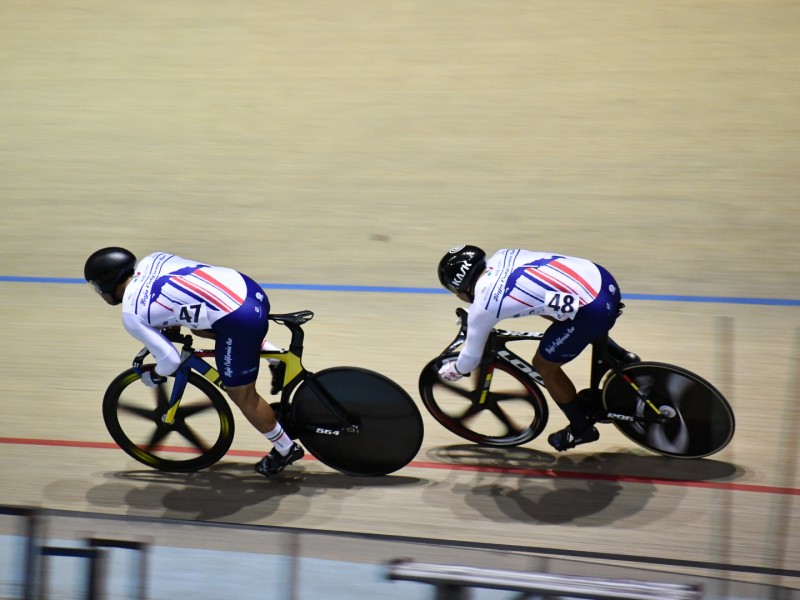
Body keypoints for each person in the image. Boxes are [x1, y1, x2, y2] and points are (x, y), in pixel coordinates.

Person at [84, 247, 304, 477]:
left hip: (240, 320)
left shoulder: (131, 314)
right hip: (248, 289)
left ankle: (285, 448)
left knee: (241, 394)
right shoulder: (152, 259)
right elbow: (187, 293)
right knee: (204, 328)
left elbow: (170, 361)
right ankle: (274, 356)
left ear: (107, 284)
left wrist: (155, 375)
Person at [436, 245, 638, 452]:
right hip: (601, 279)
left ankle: (581, 428)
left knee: (544, 365)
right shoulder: (502, 255)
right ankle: (622, 357)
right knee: (545, 305)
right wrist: (478, 315)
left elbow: (469, 360)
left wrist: (455, 370)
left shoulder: (484, 307)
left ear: (460, 287)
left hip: (593, 310)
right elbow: (508, 293)